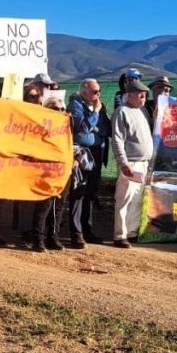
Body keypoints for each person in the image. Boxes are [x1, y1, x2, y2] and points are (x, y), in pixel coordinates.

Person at [110, 79, 154, 248]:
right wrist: (123, 162)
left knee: (136, 199)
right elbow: (118, 140)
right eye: (139, 94)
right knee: (124, 199)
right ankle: (120, 235)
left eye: (144, 94)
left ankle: (132, 232)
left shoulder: (142, 111)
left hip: (143, 163)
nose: (143, 96)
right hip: (131, 163)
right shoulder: (122, 112)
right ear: (129, 95)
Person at [67, 78, 111, 247]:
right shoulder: (76, 105)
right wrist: (95, 114)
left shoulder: (101, 107)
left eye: (99, 91)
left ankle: (88, 229)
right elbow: (83, 128)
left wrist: (96, 126)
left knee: (91, 193)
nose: (98, 95)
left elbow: (106, 128)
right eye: (94, 92)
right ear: (84, 92)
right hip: (82, 153)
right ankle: (76, 233)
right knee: (79, 191)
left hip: (97, 152)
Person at [31, 96, 69, 253]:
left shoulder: (67, 127)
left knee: (59, 205)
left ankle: (53, 237)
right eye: (55, 109)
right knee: (44, 205)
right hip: (46, 170)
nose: (59, 111)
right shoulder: (40, 126)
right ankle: (38, 238)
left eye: (62, 109)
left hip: (63, 170)